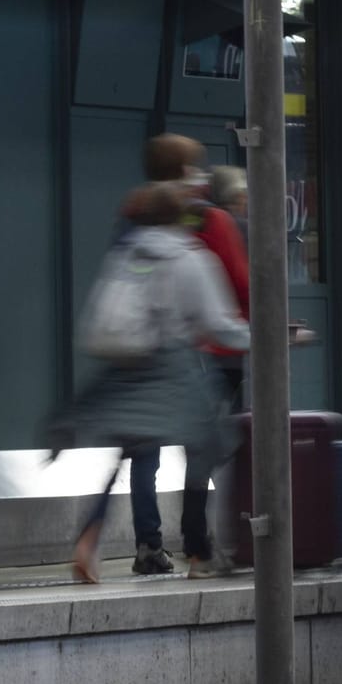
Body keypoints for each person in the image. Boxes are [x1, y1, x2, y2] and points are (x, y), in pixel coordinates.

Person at [70, 183, 251, 583]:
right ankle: (201, 553)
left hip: (129, 370)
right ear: (181, 218)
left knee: (130, 454)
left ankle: (89, 539)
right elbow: (218, 325)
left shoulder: (128, 252)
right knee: (210, 443)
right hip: (173, 370)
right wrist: (262, 336)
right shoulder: (188, 258)